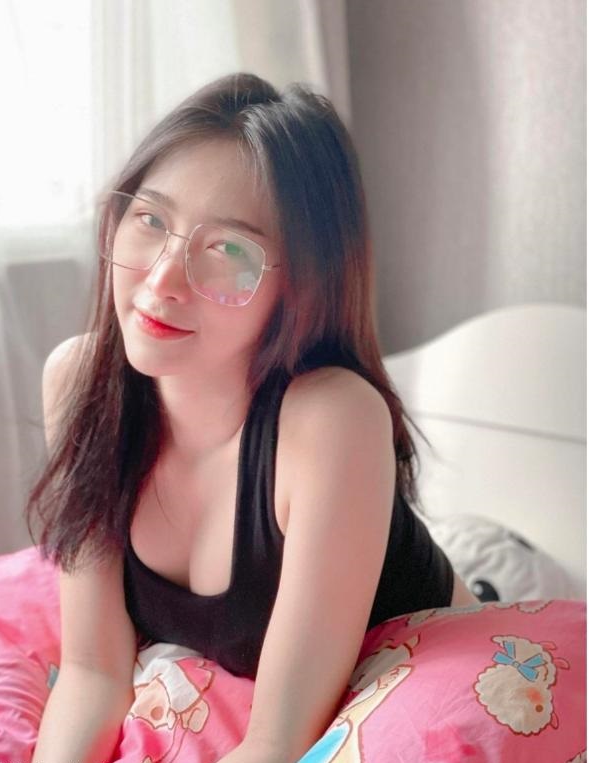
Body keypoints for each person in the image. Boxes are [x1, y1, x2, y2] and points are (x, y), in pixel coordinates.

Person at [26, 72, 479, 763]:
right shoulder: (79, 382)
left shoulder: (331, 421)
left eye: (228, 251)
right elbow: (92, 672)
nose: (162, 280)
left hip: (436, 700)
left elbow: (278, 741)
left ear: (301, 285)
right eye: (150, 220)